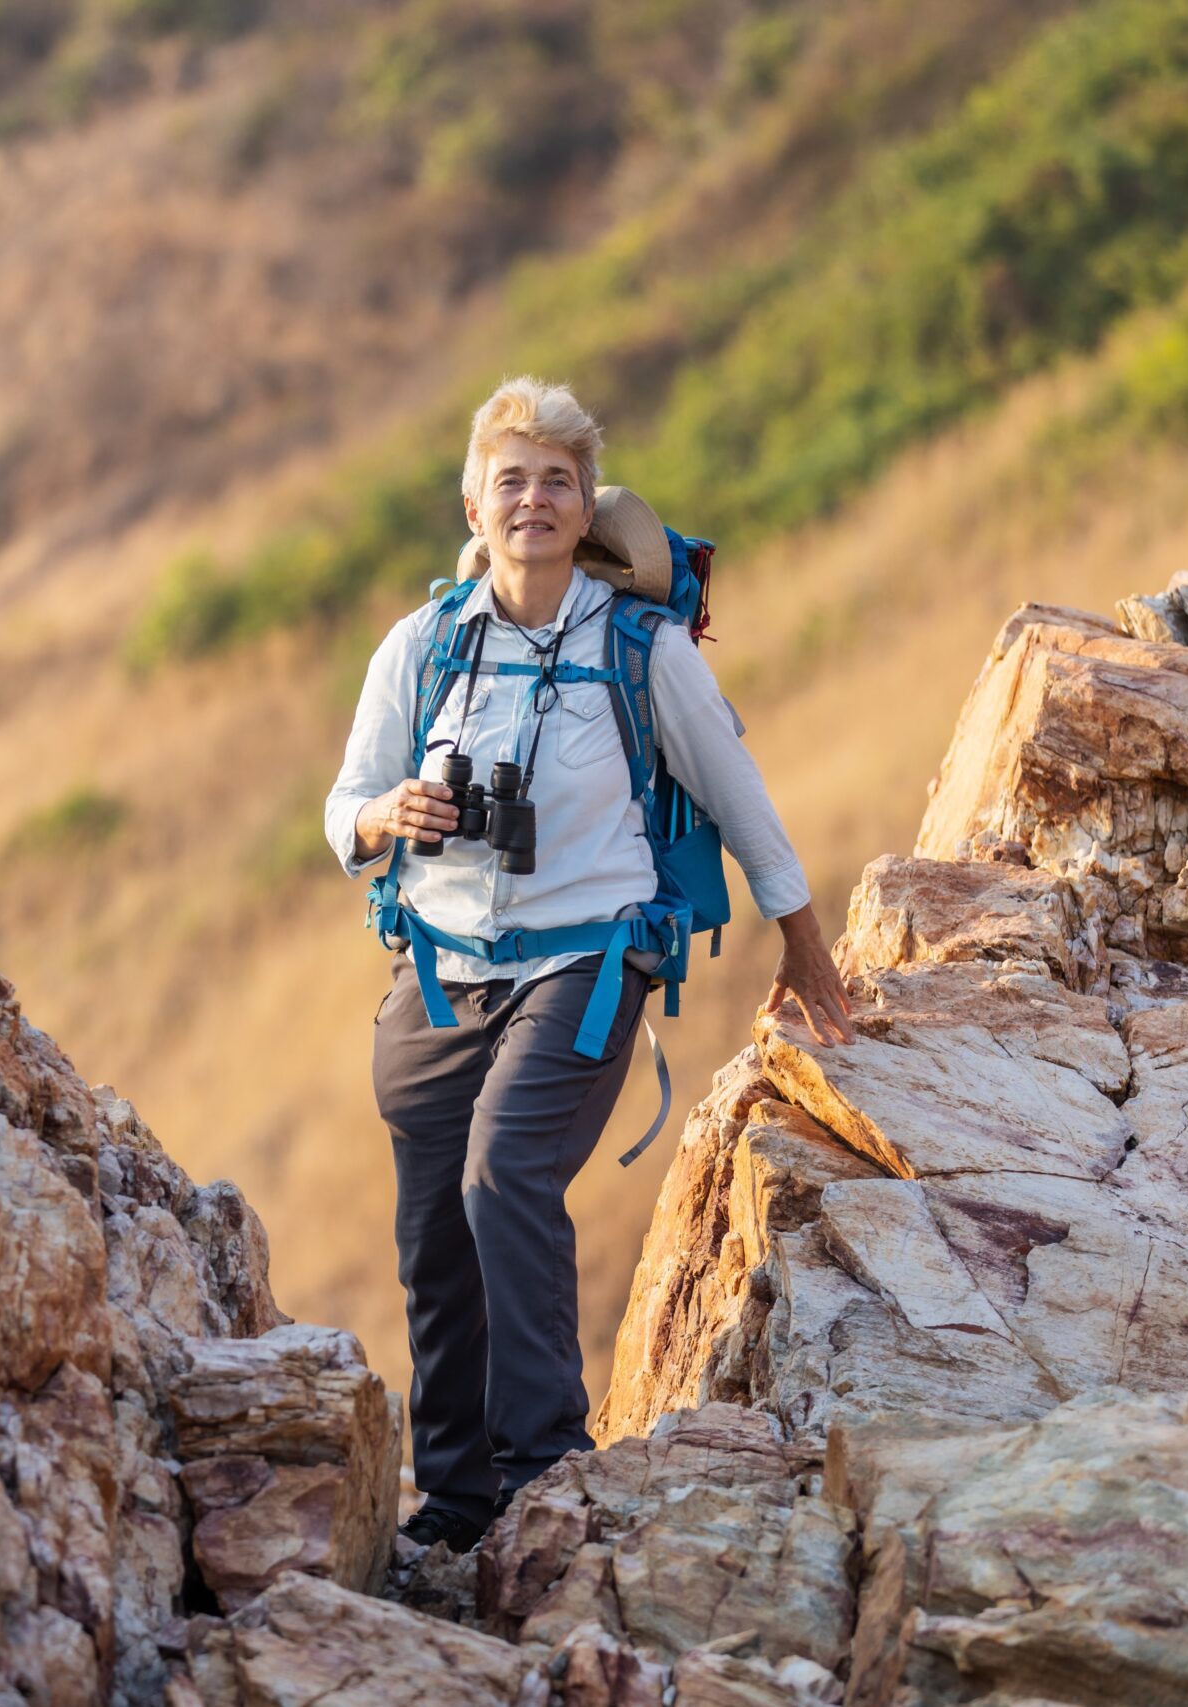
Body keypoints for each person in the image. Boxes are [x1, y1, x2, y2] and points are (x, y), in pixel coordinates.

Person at [322, 376, 853, 1556]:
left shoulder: (643, 651)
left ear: (584, 502)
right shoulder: (423, 646)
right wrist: (382, 819)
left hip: (584, 963)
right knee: (433, 1239)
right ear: (473, 499)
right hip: (442, 970)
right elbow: (341, 805)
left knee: (502, 1173)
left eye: (556, 480)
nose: (532, 500)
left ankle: (545, 1471)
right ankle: (455, 1499)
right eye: (510, 478)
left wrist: (803, 937)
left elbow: (737, 796)